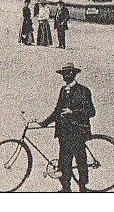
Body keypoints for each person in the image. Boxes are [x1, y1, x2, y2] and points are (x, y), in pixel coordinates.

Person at [40, 63, 96, 192]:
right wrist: (45, 122)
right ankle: (66, 188)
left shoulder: (83, 91)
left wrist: (73, 112)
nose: (66, 76)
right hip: (64, 132)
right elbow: (57, 111)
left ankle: (83, 187)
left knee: (80, 160)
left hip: (78, 131)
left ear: (74, 74)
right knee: (64, 162)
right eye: (64, 74)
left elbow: (91, 111)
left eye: (69, 73)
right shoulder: (63, 90)